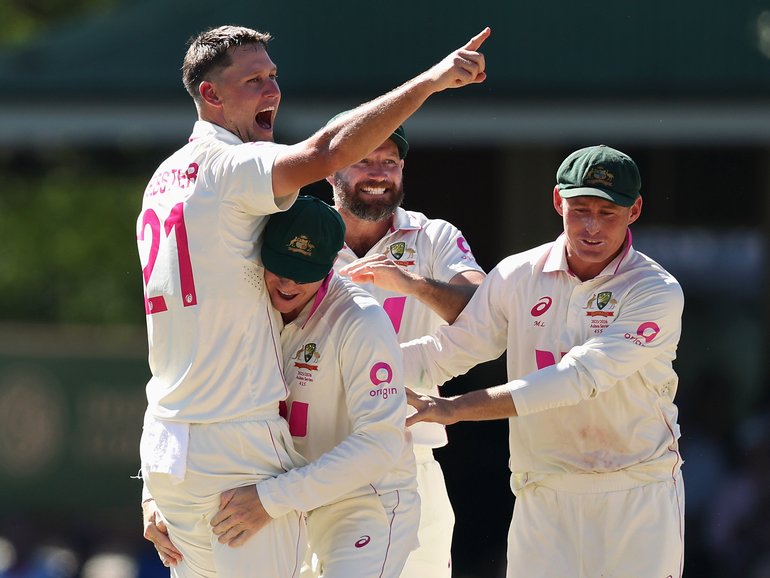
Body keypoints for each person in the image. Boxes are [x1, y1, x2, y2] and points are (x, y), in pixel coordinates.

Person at [136, 23, 489, 577]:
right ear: (210, 94)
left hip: (170, 442)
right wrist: (431, 81)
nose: (273, 91)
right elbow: (326, 149)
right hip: (241, 441)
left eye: (273, 76)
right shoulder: (232, 167)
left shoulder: (162, 180)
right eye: (254, 80)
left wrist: (155, 486)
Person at [403, 145, 686, 578]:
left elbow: (579, 378)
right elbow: (449, 350)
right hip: (542, 490)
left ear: (634, 211)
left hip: (636, 489)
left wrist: (455, 408)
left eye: (608, 213)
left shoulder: (655, 290)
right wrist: (353, 370)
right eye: (580, 210)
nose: (592, 227)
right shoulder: (517, 274)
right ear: (558, 201)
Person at [326, 119, 485, 577]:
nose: (379, 173)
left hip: (408, 452)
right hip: (315, 451)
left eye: (390, 162)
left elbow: (484, 309)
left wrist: (412, 284)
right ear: (330, 170)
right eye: (364, 160)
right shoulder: (301, 234)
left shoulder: (433, 235)